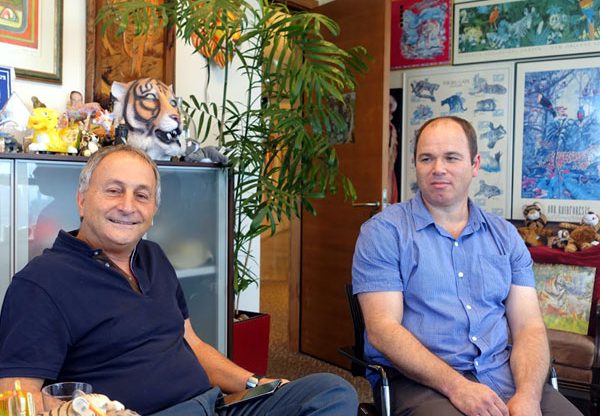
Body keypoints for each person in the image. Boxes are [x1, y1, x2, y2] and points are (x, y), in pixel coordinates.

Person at [0, 145, 358, 415]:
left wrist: (256, 383)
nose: (128, 205)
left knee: (331, 391)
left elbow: (193, 345)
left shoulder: (152, 257)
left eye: (142, 195)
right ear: (81, 200)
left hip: (215, 405)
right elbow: (16, 397)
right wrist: (77, 408)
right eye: (113, 190)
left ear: (153, 211)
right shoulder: (41, 283)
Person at [352, 116, 582, 416]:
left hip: (505, 373)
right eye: (426, 158)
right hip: (420, 382)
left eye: (451, 157)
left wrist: (528, 396)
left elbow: (528, 326)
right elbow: (383, 330)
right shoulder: (383, 233)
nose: (438, 168)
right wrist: (457, 387)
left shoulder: (505, 236)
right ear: (415, 164)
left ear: (475, 164)